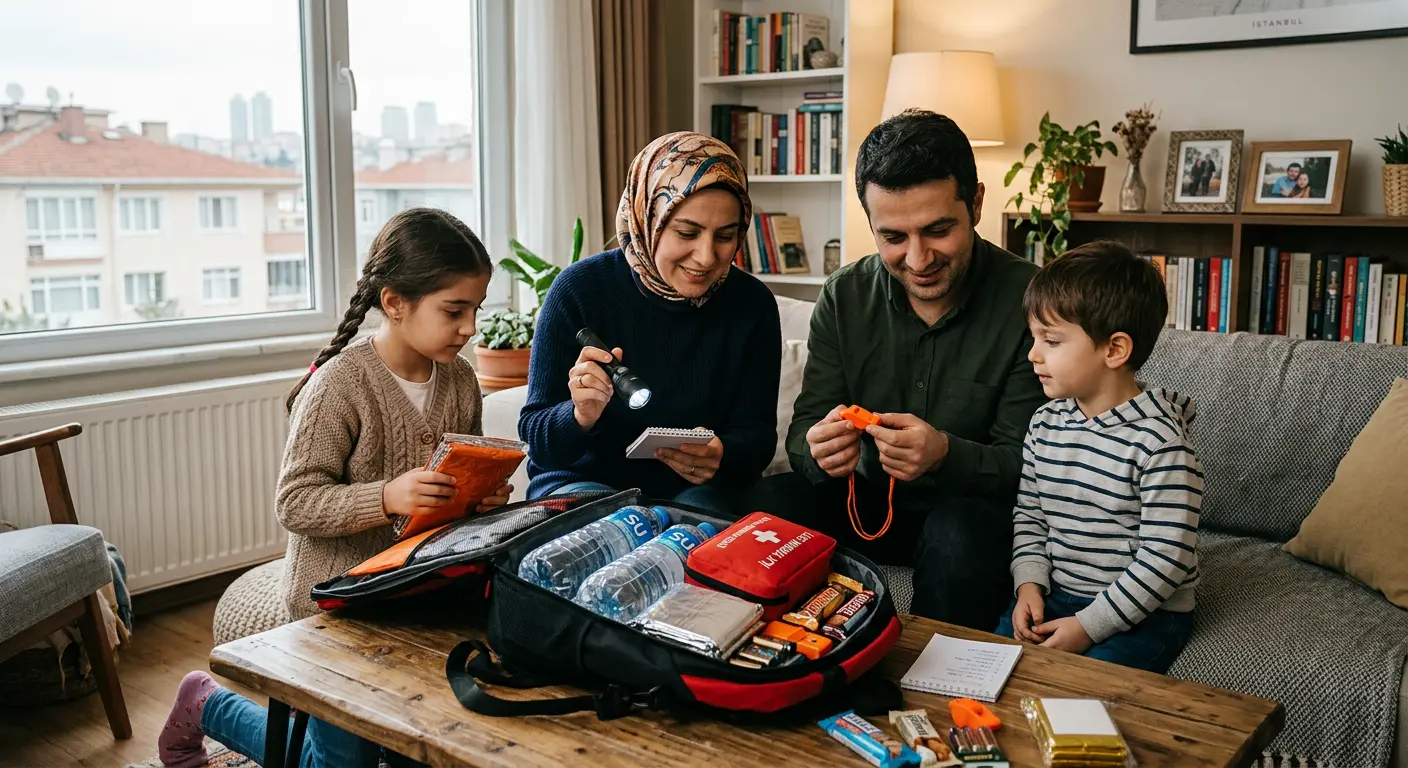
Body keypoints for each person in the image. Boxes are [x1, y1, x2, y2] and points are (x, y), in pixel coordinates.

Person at [157, 208, 510, 768]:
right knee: (337, 764)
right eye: (454, 310)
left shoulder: (462, 379)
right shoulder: (341, 385)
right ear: (394, 303)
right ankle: (208, 704)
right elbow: (294, 501)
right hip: (335, 605)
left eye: (475, 309)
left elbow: (455, 480)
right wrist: (386, 497)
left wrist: (483, 497)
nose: (469, 327)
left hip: (416, 592)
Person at [742, 109, 1047, 631]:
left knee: (960, 536)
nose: (918, 257)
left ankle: (940, 689)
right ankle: (771, 672)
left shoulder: (1032, 299)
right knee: (762, 508)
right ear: (870, 224)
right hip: (861, 503)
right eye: (893, 237)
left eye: (938, 230)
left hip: (970, 513)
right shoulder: (845, 295)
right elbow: (802, 433)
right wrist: (818, 448)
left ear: (975, 203)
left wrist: (944, 453)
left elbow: (1032, 467)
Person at [517, 132, 782, 515]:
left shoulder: (751, 305)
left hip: (697, 492)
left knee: (695, 536)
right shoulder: (579, 290)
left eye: (725, 236)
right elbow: (537, 438)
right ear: (647, 218)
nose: (706, 257)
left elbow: (757, 438)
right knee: (598, 533)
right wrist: (578, 416)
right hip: (582, 484)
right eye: (687, 233)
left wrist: (724, 455)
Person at [995, 241, 1203, 674]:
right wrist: (1028, 586)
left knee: (1083, 691)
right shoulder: (1045, 423)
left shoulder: (1161, 445)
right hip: (1059, 594)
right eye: (1034, 337)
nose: (1033, 354)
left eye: (1051, 340)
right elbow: (1031, 516)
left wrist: (1089, 627)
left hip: (1146, 613)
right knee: (993, 666)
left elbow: (1164, 561)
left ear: (1114, 350)